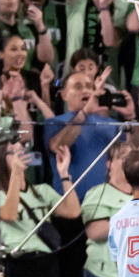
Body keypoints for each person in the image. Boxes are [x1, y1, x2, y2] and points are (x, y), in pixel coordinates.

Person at [0, 139, 80, 277]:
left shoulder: (42, 190)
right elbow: (9, 214)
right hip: (17, 263)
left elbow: (73, 211)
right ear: (2, 158)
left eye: (22, 151)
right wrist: (15, 174)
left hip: (46, 261)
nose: (20, 155)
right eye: (13, 152)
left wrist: (64, 175)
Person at [46, 71, 128, 201]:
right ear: (64, 95)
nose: (85, 90)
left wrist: (132, 117)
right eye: (78, 87)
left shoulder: (111, 123)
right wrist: (84, 113)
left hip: (103, 205)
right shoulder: (56, 122)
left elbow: (131, 152)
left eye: (89, 87)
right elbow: (57, 146)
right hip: (68, 206)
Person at [81, 142, 132, 277]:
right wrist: (134, 219)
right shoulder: (97, 193)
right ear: (109, 164)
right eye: (121, 157)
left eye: (130, 157)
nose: (127, 160)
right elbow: (95, 232)